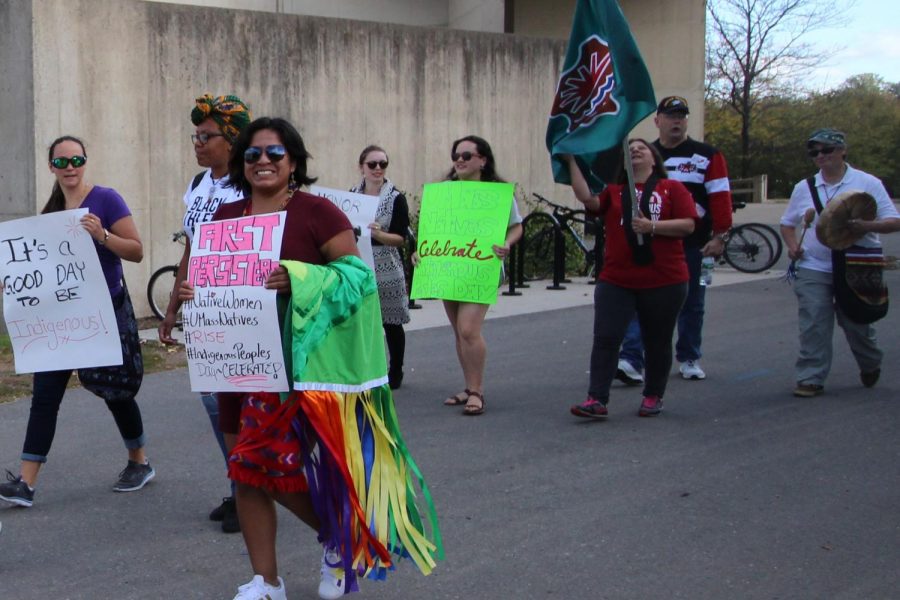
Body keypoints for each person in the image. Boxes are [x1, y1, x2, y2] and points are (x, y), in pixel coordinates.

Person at [182, 117, 440, 600]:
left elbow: (356, 279)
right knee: (244, 471)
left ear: (294, 162)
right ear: (241, 163)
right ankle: (267, 580)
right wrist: (195, 292)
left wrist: (298, 276)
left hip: (302, 368)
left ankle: (342, 541)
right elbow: (212, 279)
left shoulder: (317, 212)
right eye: (253, 154)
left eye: (274, 153)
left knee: (262, 463)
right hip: (238, 362)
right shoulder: (225, 217)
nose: (263, 161)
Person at [0, 135, 152, 508]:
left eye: (76, 160)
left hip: (103, 313)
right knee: (45, 396)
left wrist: (102, 235)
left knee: (114, 390)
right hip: (61, 319)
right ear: (51, 167)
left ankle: (140, 461)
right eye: (62, 162)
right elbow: (41, 266)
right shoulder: (50, 212)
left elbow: (135, 251)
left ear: (85, 162)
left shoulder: (106, 198)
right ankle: (26, 482)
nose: (70, 168)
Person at [157, 93, 251, 534]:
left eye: (206, 135)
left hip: (239, 308)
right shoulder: (197, 185)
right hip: (201, 308)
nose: (197, 142)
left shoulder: (248, 183)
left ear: (231, 140)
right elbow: (192, 246)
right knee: (214, 401)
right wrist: (173, 305)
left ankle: (249, 489)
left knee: (236, 401)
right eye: (195, 135)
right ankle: (241, 486)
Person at [567, 139, 697, 418]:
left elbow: (688, 225)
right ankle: (596, 398)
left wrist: (653, 226)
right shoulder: (614, 192)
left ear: (654, 159)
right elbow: (587, 198)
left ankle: (653, 395)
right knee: (606, 338)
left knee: (657, 340)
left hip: (665, 279)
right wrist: (571, 163)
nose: (636, 150)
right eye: (631, 148)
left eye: (642, 147)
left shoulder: (672, 188)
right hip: (617, 279)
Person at [616, 96, 733, 382]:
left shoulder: (706, 155)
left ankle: (689, 356)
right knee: (639, 301)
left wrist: (720, 236)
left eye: (681, 115)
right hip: (647, 243)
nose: (676, 121)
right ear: (658, 121)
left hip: (692, 242)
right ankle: (631, 358)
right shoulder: (645, 153)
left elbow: (720, 196)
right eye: (670, 116)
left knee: (691, 301)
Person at [779, 128, 900, 397]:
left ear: (843, 150)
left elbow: (894, 221)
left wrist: (865, 225)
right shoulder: (804, 187)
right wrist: (792, 248)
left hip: (857, 265)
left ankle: (870, 362)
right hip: (814, 266)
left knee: (856, 324)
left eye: (827, 150)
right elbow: (787, 224)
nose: (820, 156)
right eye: (815, 152)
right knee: (814, 322)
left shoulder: (867, 183)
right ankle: (810, 378)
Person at [433, 135, 522, 416]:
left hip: (481, 267)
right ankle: (468, 385)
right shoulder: (444, 191)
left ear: (482, 160)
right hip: (448, 266)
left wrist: (507, 244)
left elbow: (516, 226)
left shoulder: (496, 193)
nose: (460, 160)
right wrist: (422, 253)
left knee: (470, 329)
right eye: (456, 155)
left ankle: (476, 391)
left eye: (467, 156)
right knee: (459, 331)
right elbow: (433, 229)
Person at [349, 145, 410, 389]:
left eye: (382, 164)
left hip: (386, 264)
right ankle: (367, 368)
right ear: (361, 167)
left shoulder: (396, 198)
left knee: (391, 322)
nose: (377, 169)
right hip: (360, 262)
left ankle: (396, 369)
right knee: (363, 320)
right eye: (372, 164)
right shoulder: (352, 195)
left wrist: (379, 234)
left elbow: (400, 238)